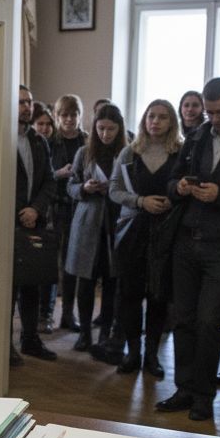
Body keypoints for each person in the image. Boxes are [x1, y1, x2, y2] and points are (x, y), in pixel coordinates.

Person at [157, 77, 220, 422]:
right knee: (182, 319)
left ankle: (203, 395)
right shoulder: (197, 136)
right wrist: (180, 186)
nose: (215, 119)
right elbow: (171, 181)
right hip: (186, 240)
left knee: (210, 321)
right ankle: (183, 389)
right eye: (210, 112)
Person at [109, 100, 182, 377]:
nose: (156, 122)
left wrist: (173, 201)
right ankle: (133, 352)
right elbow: (114, 190)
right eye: (151, 116)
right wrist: (140, 201)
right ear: (144, 120)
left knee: (158, 296)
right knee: (130, 294)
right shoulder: (130, 151)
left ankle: (152, 355)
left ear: (171, 122)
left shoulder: (181, 152)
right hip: (132, 231)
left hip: (166, 234)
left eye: (162, 117)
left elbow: (186, 189)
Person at [65, 103, 126, 352]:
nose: (105, 134)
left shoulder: (126, 153)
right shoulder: (84, 152)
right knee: (86, 281)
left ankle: (105, 334)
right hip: (88, 223)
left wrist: (114, 189)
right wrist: (84, 188)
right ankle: (85, 334)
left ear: (119, 129)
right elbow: (70, 186)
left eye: (111, 129)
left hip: (115, 222)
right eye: (101, 128)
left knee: (111, 282)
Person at [12, 84, 57, 364]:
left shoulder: (38, 140)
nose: (27, 107)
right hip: (8, 224)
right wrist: (20, 211)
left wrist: (35, 209)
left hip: (33, 221)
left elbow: (49, 181)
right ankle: (3, 346)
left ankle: (30, 340)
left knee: (32, 285)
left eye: (29, 102)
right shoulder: (0, 138)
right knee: (8, 289)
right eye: (20, 102)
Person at [50, 94, 87, 331]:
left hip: (80, 206)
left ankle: (67, 314)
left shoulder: (87, 140)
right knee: (53, 261)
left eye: (74, 115)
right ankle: (47, 313)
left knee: (73, 262)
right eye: (64, 115)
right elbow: (44, 174)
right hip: (56, 207)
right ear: (57, 116)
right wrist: (58, 174)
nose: (69, 119)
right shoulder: (50, 140)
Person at [31, 102, 59, 334]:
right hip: (29, 215)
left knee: (47, 268)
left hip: (49, 215)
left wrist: (37, 208)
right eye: (40, 123)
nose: (45, 128)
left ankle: (45, 314)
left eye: (48, 124)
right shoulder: (30, 143)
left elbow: (49, 181)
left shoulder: (43, 144)